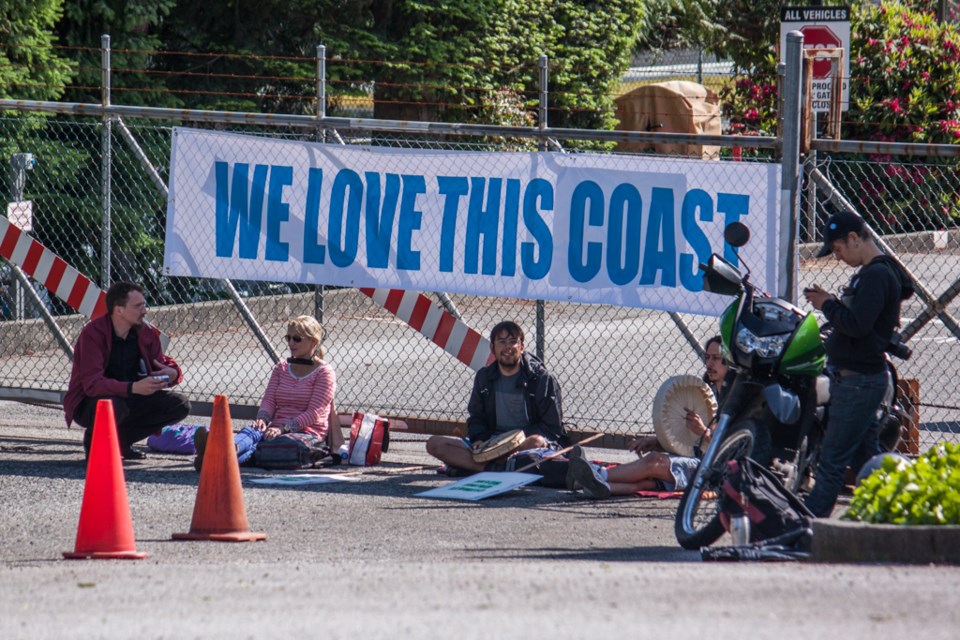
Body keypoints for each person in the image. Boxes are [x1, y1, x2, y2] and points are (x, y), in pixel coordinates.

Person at [801, 209, 913, 517]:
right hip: (859, 379)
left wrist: (828, 305)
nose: (837, 257)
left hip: (860, 381)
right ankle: (898, 514)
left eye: (837, 249)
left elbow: (858, 325)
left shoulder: (877, 274)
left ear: (854, 238)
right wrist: (831, 304)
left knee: (832, 460)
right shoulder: (872, 272)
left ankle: (808, 529)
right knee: (867, 458)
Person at [569, 335, 730, 498]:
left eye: (716, 358)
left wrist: (703, 432)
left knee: (654, 462)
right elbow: (689, 443)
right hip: (695, 460)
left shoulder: (735, 401)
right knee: (646, 481)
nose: (709, 364)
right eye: (707, 357)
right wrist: (656, 442)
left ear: (729, 361)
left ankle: (597, 474)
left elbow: (730, 447)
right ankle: (600, 485)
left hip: (715, 469)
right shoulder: (704, 392)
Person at [63, 281, 190, 460]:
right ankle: (94, 444)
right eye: (138, 306)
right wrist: (132, 388)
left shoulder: (145, 333)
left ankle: (121, 443)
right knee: (115, 406)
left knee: (180, 405)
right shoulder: (93, 334)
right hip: (90, 402)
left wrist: (173, 373)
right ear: (119, 310)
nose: (144, 311)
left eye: (144, 305)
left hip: (131, 397)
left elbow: (161, 362)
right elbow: (92, 385)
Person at [193, 315, 337, 471]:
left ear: (313, 342)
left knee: (284, 446)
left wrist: (284, 428)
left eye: (296, 339)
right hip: (274, 429)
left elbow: (314, 413)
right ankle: (223, 453)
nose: (290, 343)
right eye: (288, 338)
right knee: (253, 432)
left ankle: (215, 457)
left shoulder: (324, 372)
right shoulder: (281, 368)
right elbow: (269, 399)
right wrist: (263, 418)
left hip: (306, 432)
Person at [425, 320, 565, 474]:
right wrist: (479, 440)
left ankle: (477, 467)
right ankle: (500, 467)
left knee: (536, 442)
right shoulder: (484, 377)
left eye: (513, 342)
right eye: (502, 342)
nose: (508, 347)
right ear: (492, 348)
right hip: (490, 444)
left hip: (523, 444)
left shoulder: (541, 379)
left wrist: (512, 444)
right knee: (435, 444)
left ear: (522, 347)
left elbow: (551, 427)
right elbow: (476, 416)